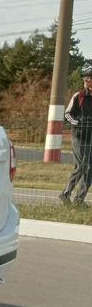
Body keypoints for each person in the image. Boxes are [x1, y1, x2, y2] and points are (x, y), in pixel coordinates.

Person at [60, 67, 92, 206]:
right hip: (79, 136)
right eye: (85, 77)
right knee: (81, 166)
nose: (86, 79)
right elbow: (67, 114)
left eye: (89, 77)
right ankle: (65, 194)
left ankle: (79, 199)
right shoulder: (78, 96)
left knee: (90, 169)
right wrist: (77, 123)